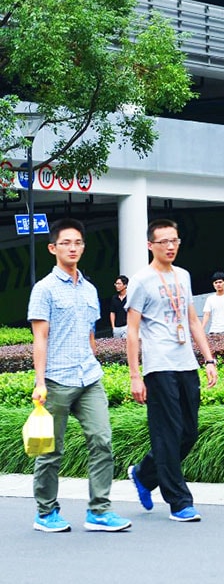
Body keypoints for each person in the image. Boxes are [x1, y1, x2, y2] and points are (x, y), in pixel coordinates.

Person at [28, 218, 132, 533]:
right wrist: (40, 382)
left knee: (102, 440)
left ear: (83, 247)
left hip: (89, 378)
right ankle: (46, 513)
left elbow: (89, 334)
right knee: (49, 449)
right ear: (52, 248)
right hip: (57, 380)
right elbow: (40, 338)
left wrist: (93, 360)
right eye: (66, 243)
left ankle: (99, 511)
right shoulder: (43, 289)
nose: (72, 248)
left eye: (78, 243)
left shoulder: (89, 288)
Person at [125, 218, 218, 522]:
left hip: (185, 364)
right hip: (159, 366)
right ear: (151, 245)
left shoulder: (184, 276)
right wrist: (135, 376)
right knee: (167, 434)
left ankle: (143, 474)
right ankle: (179, 501)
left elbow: (192, 320)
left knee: (188, 433)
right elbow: (133, 330)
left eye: (174, 240)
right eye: (163, 241)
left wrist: (208, 359)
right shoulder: (141, 280)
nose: (170, 246)